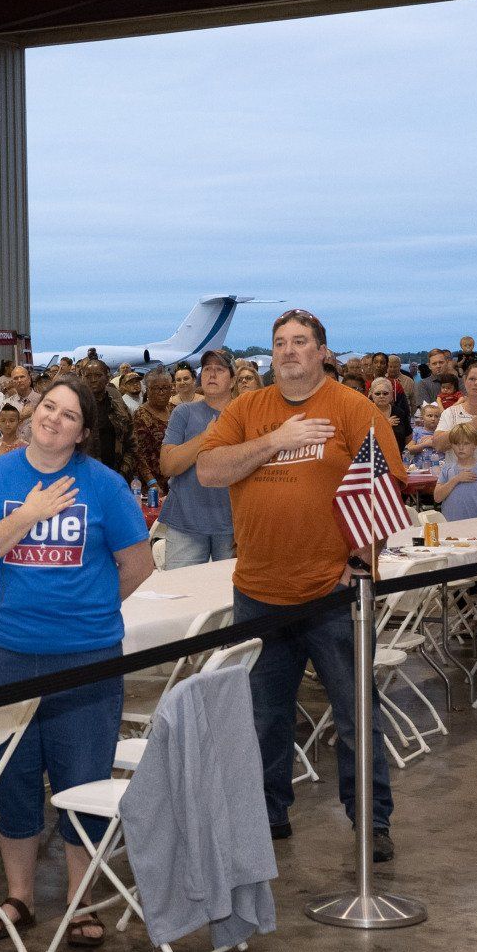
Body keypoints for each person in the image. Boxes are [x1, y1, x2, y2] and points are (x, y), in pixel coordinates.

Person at [197, 308, 405, 860]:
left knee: (355, 712)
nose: (289, 351)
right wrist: (274, 441)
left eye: (301, 342)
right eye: (280, 342)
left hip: (333, 593)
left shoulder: (352, 408)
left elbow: (386, 489)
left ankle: (372, 821)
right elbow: (209, 470)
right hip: (260, 590)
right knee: (265, 715)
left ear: (321, 352)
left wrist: (359, 566)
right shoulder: (248, 409)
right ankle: (269, 813)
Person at [0, 374, 152, 950]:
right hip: (7, 654)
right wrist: (27, 516)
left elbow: (138, 564)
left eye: (69, 415)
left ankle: (81, 898)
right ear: (32, 409)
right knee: (14, 778)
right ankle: (19, 895)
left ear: (83, 432)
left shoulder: (103, 486)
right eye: (47, 406)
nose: (53, 419)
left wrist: (90, 609)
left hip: (87, 658)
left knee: (83, 777)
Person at [155, 350, 237, 569]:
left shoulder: (246, 414)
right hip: (185, 521)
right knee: (182, 595)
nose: (211, 374)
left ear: (233, 381)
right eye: (207, 369)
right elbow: (168, 465)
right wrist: (206, 437)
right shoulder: (184, 412)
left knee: (230, 597)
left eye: (219, 370)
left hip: (234, 525)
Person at [432, 364, 477, 484]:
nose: (476, 383)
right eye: (472, 379)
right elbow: (438, 445)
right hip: (459, 491)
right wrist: (471, 426)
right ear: (465, 381)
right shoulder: (450, 413)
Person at [73, 360, 137, 481]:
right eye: (88, 376)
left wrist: (123, 472)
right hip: (84, 477)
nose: (93, 380)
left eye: (98, 375)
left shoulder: (119, 407)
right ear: (82, 379)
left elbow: (131, 443)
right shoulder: (75, 409)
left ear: (107, 378)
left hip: (118, 475)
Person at [434, 421, 477, 520]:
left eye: (466, 443)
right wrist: (456, 479)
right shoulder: (447, 469)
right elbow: (437, 498)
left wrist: (475, 505)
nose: (461, 448)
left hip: (475, 526)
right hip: (450, 526)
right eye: (456, 443)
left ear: (475, 444)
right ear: (451, 445)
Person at [129, 370, 175, 497]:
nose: (161, 392)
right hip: (153, 484)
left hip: (175, 479)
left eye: (165, 388)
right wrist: (152, 483)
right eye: (156, 388)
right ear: (148, 390)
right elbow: (138, 454)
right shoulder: (141, 415)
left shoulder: (175, 410)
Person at [369, 375, 410, 455]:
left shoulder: (399, 412)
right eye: (377, 394)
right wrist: (385, 424)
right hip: (374, 458)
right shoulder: (366, 412)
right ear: (371, 394)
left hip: (396, 456)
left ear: (391, 394)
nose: (381, 396)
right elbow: (363, 437)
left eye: (385, 393)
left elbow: (408, 436)